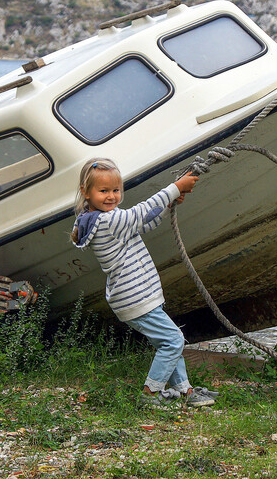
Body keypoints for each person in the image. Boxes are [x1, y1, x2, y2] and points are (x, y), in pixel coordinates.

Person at [70, 158, 218, 408]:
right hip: (136, 298)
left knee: (167, 342)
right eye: (103, 191)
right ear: (86, 192)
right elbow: (141, 213)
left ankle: (185, 391)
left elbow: (145, 222)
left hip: (139, 297)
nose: (111, 196)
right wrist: (175, 187)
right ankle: (151, 393)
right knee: (173, 340)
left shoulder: (106, 218)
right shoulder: (107, 222)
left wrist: (169, 201)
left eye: (115, 190)